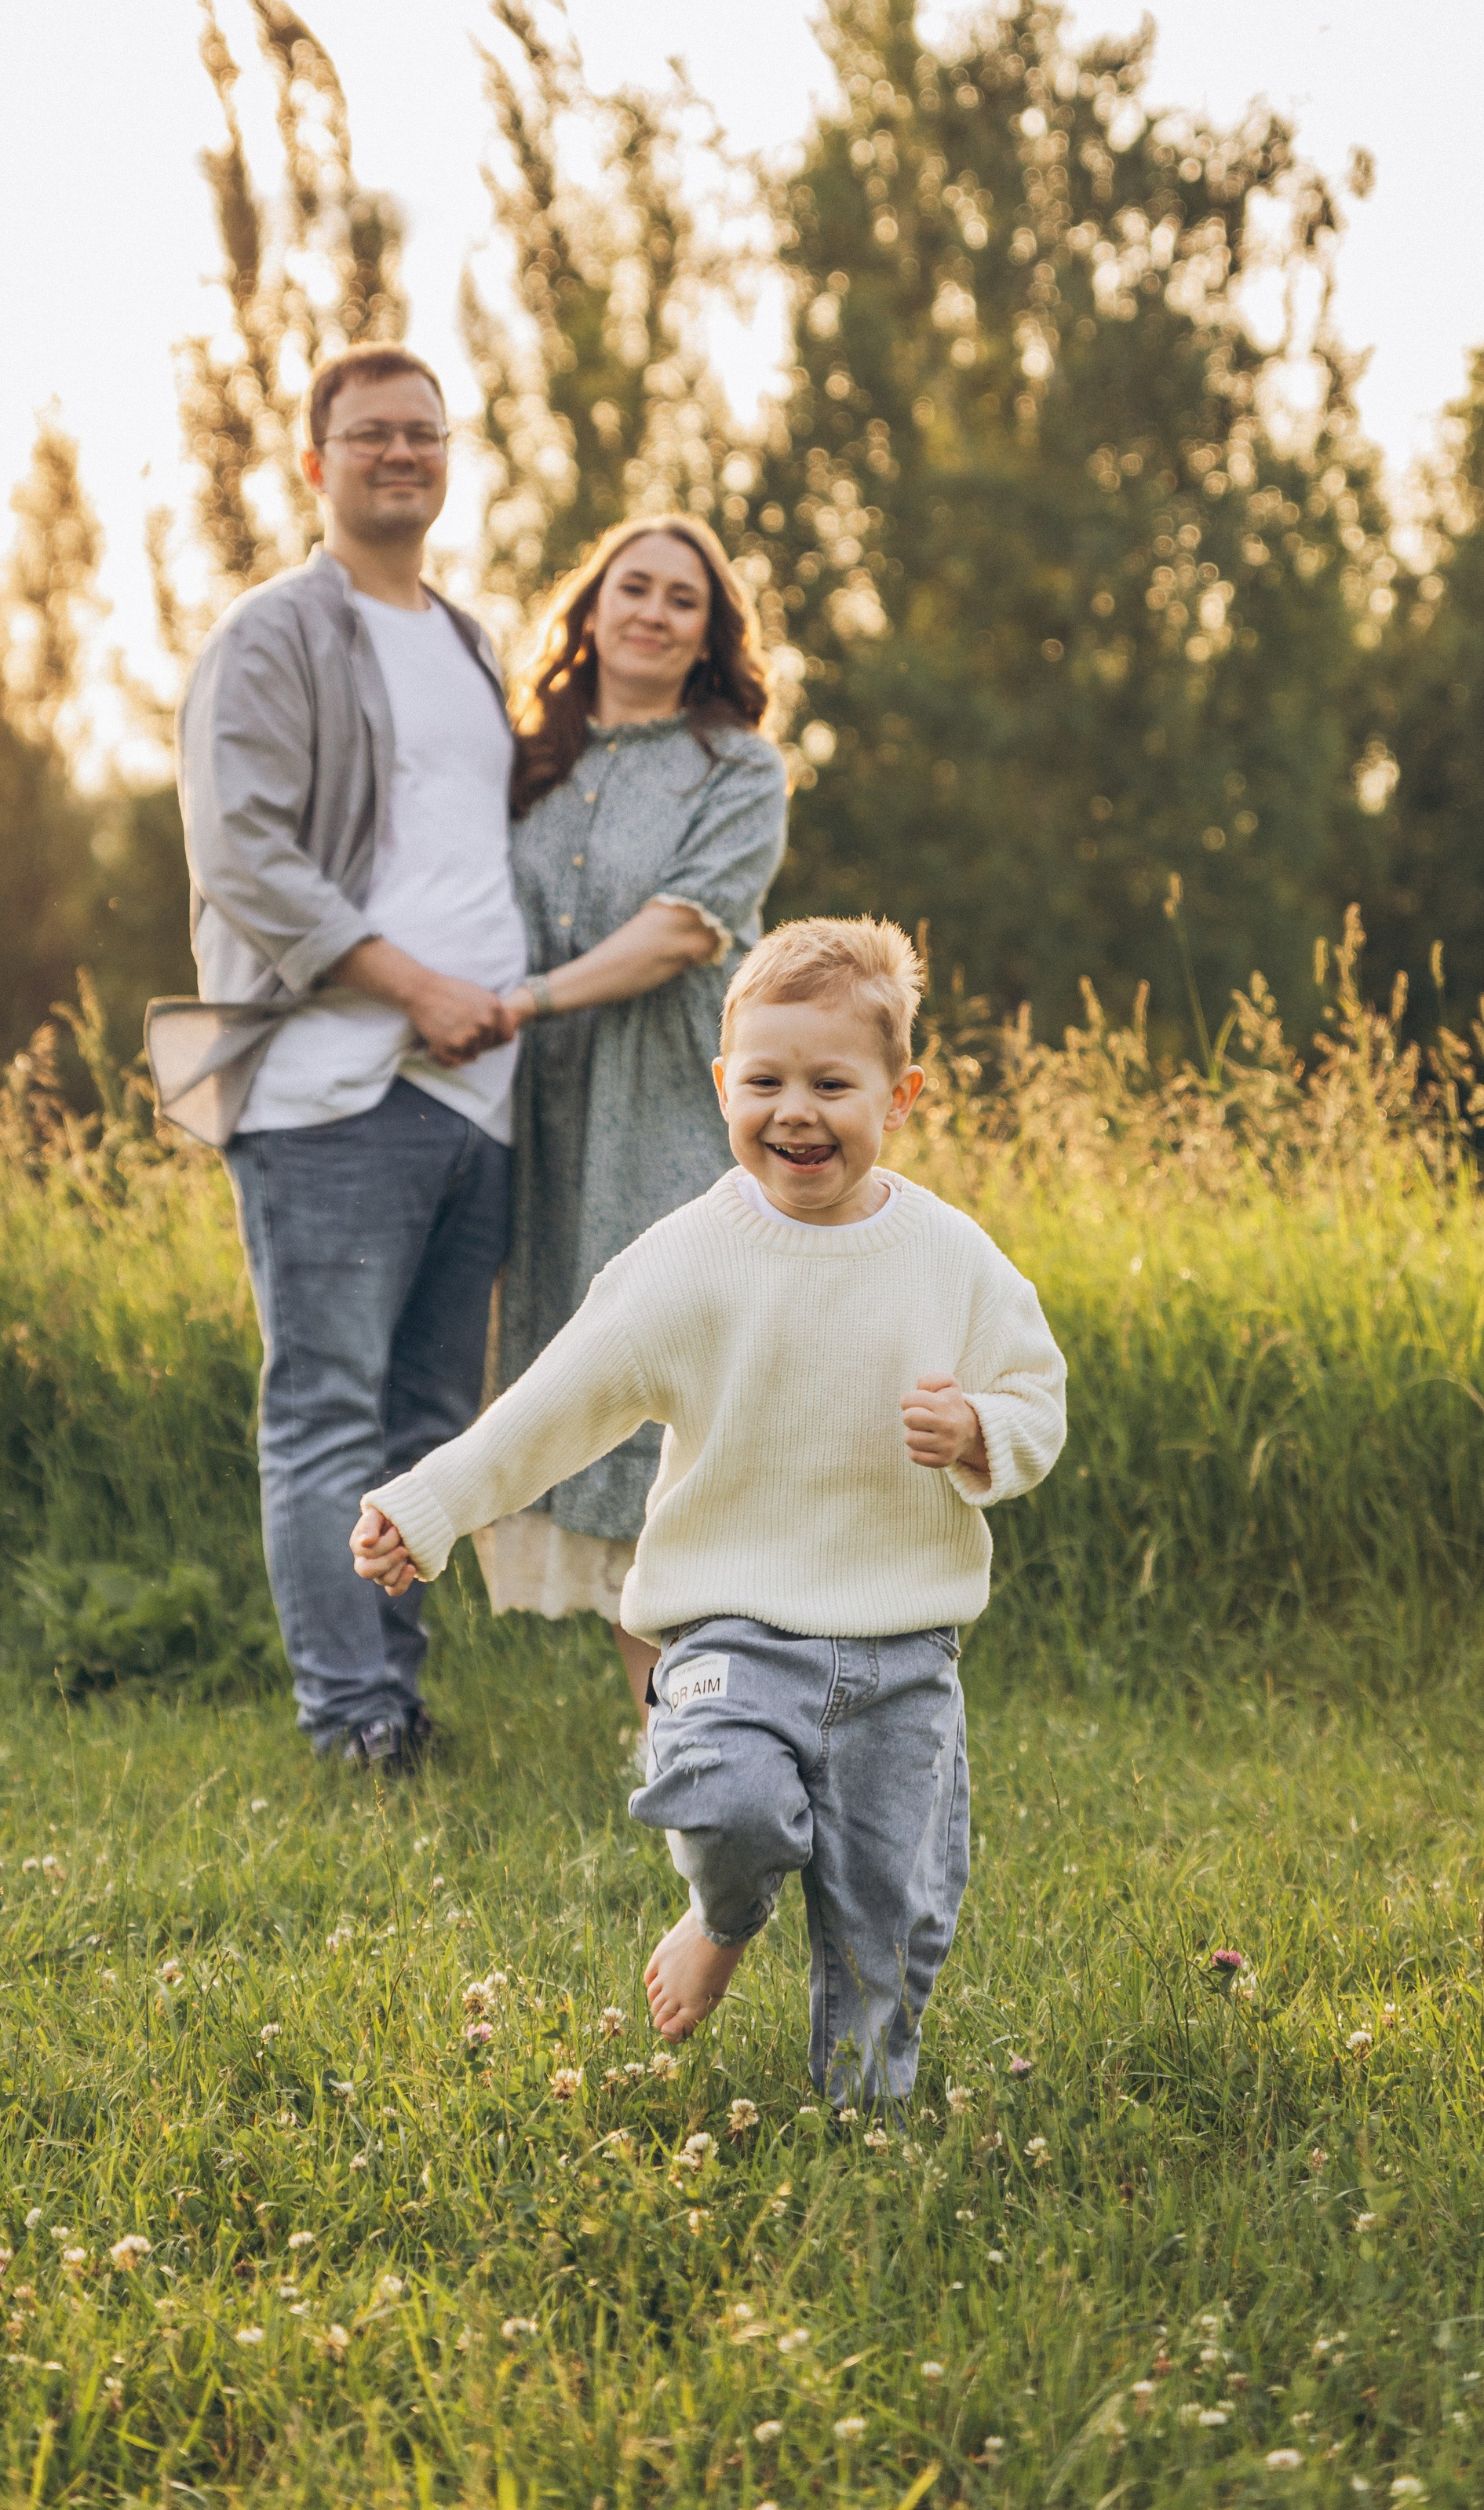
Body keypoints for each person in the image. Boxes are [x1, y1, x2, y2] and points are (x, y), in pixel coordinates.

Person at [350, 917, 1067, 2105]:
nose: (798, 1112)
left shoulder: (954, 1259)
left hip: (903, 1650)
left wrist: (985, 1432)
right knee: (727, 1801)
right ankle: (721, 1920)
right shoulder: (689, 1260)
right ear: (723, 1084)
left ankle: (867, 2122)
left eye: (834, 1083)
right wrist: (428, 1507)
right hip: (730, 1634)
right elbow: (552, 1408)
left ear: (904, 1095)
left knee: (893, 1916)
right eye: (768, 1081)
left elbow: (1038, 1399)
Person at [165, 343, 526, 1772]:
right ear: (314, 464)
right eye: (371, 434)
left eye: (424, 435)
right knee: (325, 1410)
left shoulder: (471, 638)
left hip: (476, 1092)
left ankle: (398, 1697)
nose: (401, 455)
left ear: (448, 460)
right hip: (329, 1085)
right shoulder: (271, 637)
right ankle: (352, 1721)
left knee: (429, 1423)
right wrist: (414, 987)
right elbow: (242, 854)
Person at [478, 516, 788, 1723]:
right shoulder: (528, 762)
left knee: (679, 1389)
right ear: (591, 610)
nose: (655, 613)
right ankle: (671, 1739)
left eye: (684, 600)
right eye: (634, 589)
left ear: (711, 634)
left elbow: (681, 930)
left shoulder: (737, 767)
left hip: (666, 1101)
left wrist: (527, 999)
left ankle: (712, 1735)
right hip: (547, 1116)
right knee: (591, 1388)